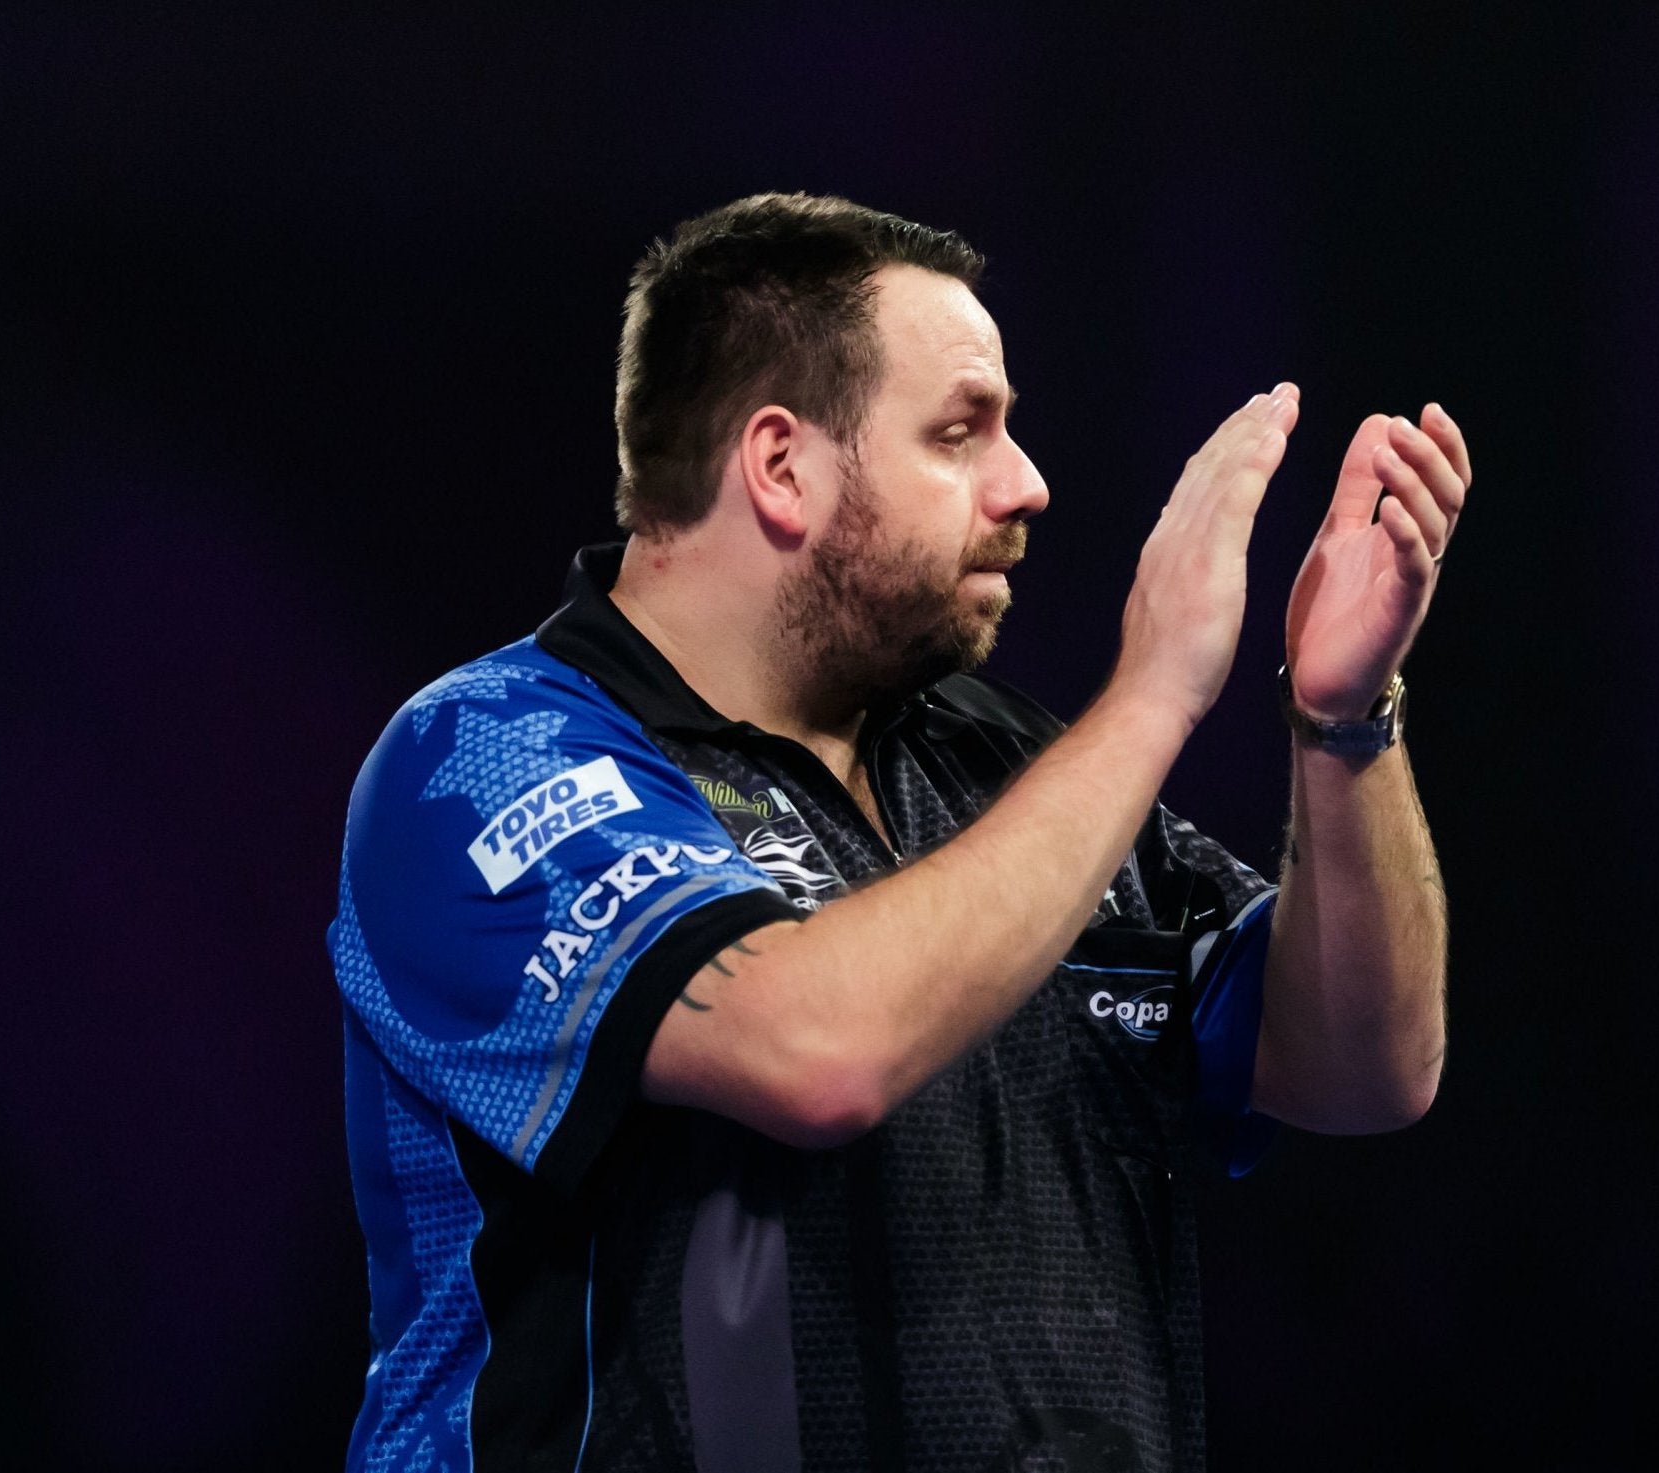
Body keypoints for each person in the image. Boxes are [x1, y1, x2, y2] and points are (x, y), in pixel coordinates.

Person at [330, 192, 1468, 1472]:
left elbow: (1361, 1068)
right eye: (959, 431)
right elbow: (817, 1050)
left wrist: (1340, 725)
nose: (1024, 482)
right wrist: (1156, 688)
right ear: (780, 466)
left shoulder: (1005, 763)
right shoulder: (483, 755)